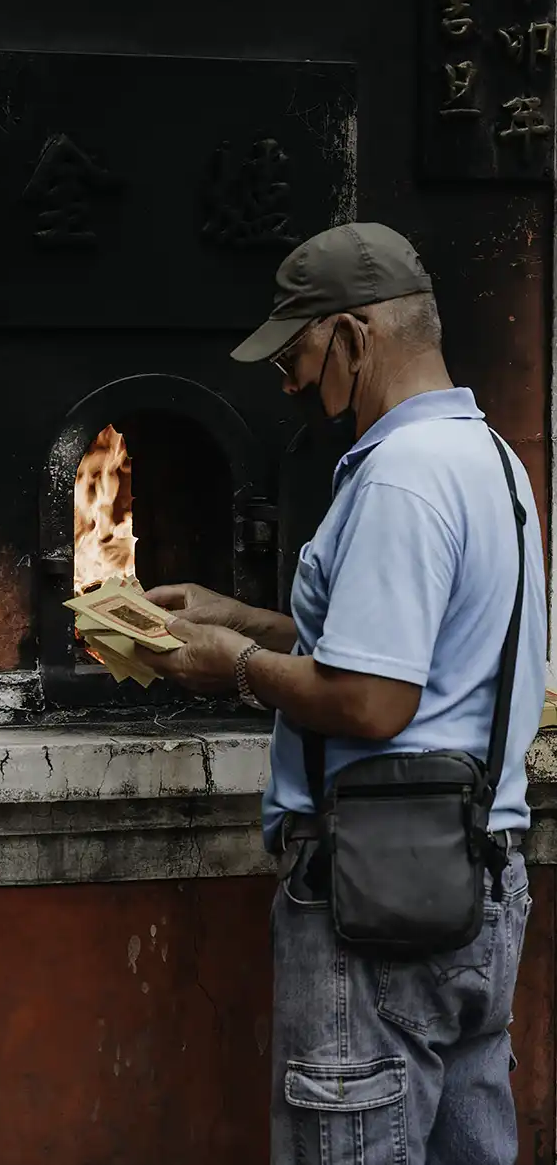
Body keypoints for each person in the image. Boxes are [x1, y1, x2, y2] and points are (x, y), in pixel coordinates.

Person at [137, 222, 547, 1165]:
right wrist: (237, 616)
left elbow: (372, 701)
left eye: (298, 355)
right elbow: (403, 656)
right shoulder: (489, 460)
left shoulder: (401, 477)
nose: (288, 384)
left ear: (357, 338)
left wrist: (226, 666)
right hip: (474, 877)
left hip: (378, 900)